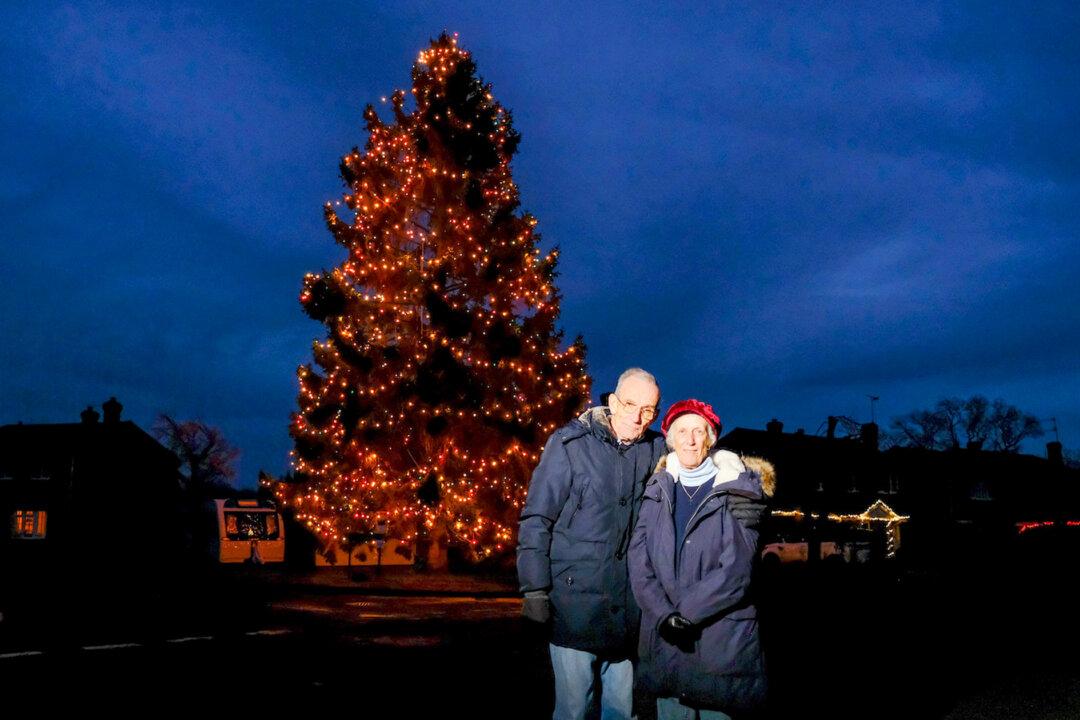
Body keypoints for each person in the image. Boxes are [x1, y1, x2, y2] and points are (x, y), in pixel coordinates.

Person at [518, 371, 767, 720]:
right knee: (574, 708)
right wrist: (534, 589)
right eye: (630, 404)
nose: (637, 417)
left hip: (628, 612)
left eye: (648, 410)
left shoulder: (653, 449)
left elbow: (699, 453)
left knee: (622, 709)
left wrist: (745, 487)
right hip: (574, 605)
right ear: (612, 402)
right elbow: (537, 518)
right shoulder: (569, 445)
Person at [629, 399, 775, 720]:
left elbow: (737, 570)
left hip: (720, 645)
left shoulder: (736, 490)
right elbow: (639, 562)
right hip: (665, 643)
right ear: (671, 440)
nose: (691, 440)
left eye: (698, 431)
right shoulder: (657, 489)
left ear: (710, 438)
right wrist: (663, 615)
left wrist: (685, 615)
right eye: (682, 431)